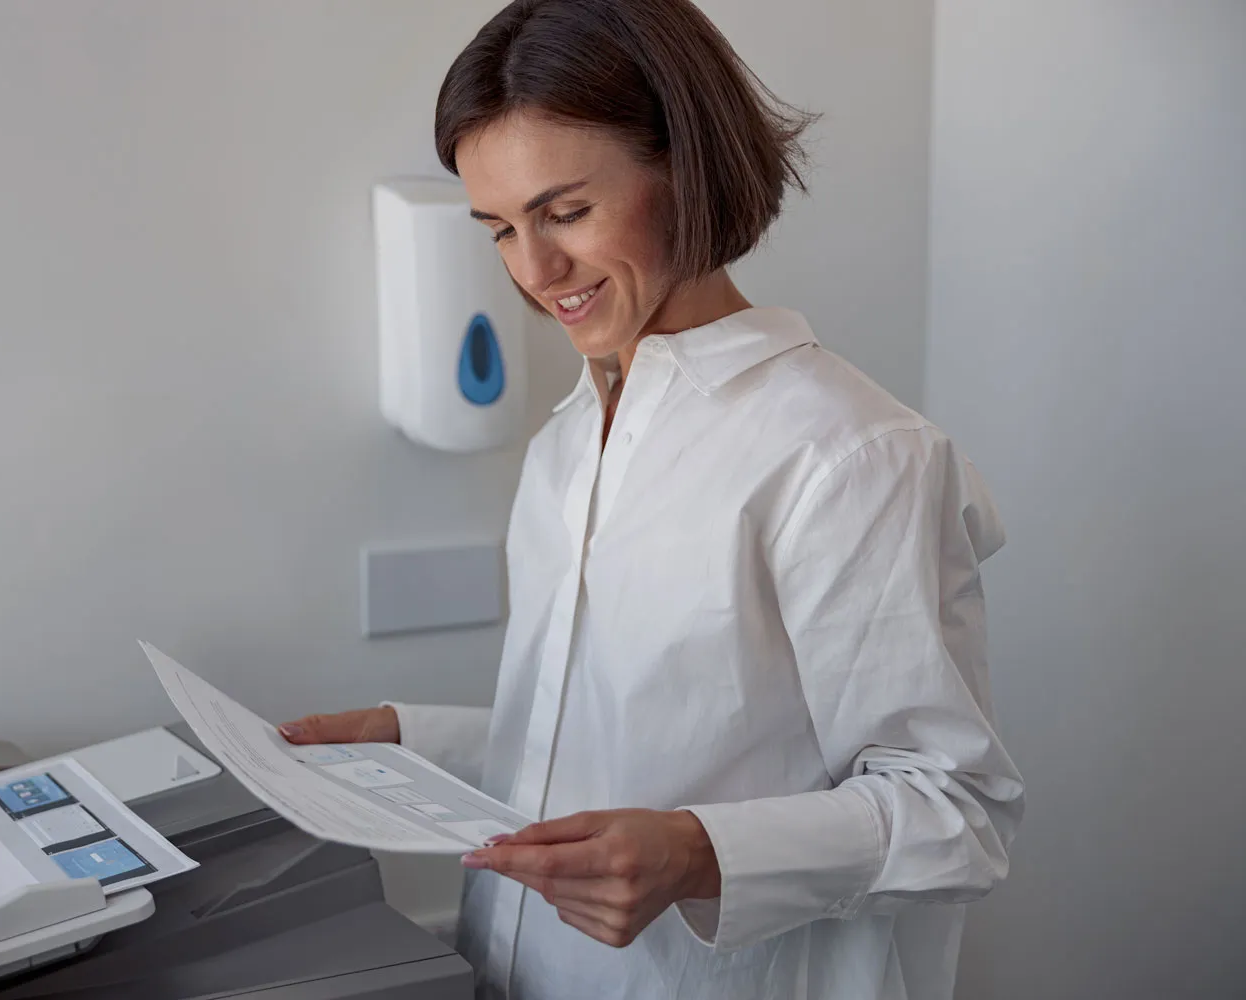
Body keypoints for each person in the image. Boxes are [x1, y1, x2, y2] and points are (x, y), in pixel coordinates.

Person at [281, 1, 1024, 997]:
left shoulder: (849, 456)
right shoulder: (566, 443)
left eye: (564, 213)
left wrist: (694, 854)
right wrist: (411, 743)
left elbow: (958, 814)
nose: (534, 272)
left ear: (685, 165)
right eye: (500, 229)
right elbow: (619, 739)